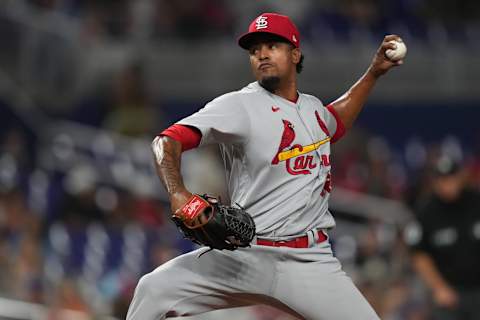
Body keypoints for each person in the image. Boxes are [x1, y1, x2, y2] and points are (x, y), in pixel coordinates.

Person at [127, 12, 403, 320]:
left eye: (272, 45)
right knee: (153, 289)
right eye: (254, 48)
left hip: (309, 261)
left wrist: (373, 74)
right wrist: (178, 192)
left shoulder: (312, 109)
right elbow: (166, 141)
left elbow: (335, 122)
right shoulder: (240, 105)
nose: (261, 53)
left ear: (295, 53)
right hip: (245, 254)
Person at [407, 155, 480, 320]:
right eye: (442, 179)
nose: (447, 184)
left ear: (460, 177)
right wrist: (439, 287)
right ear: (435, 182)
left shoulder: (477, 202)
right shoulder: (426, 211)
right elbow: (419, 254)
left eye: (451, 178)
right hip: (449, 294)